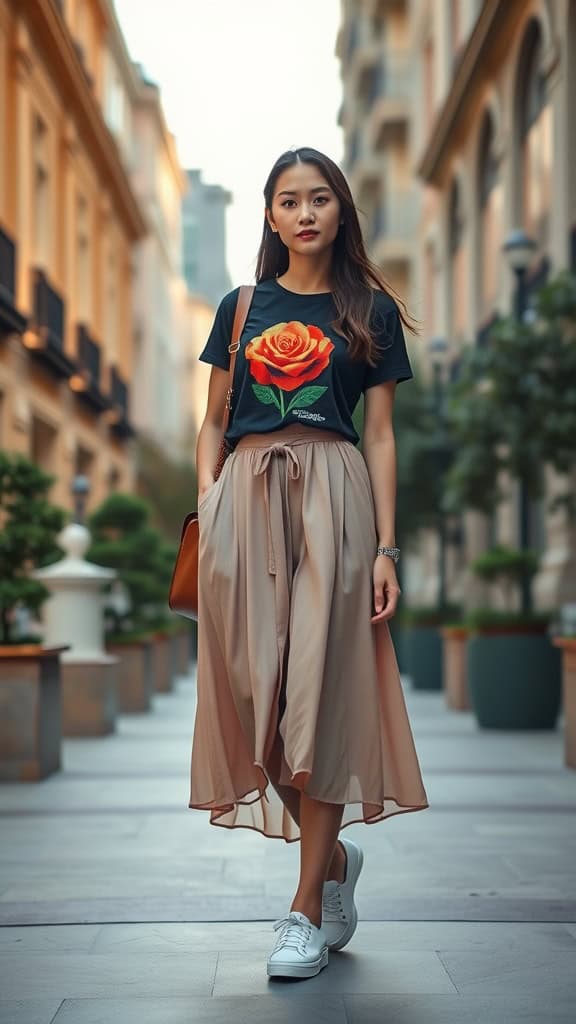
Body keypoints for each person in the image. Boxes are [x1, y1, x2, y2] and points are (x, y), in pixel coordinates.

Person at [190, 146, 428, 980]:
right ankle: (331, 865)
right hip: (245, 501)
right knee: (254, 694)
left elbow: (387, 434)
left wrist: (387, 549)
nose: (304, 213)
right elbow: (212, 421)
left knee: (319, 693)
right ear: (270, 216)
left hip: (335, 493)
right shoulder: (241, 306)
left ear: (339, 210)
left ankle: (301, 911)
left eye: (319, 198)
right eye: (288, 200)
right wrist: (212, 499)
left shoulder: (370, 309)